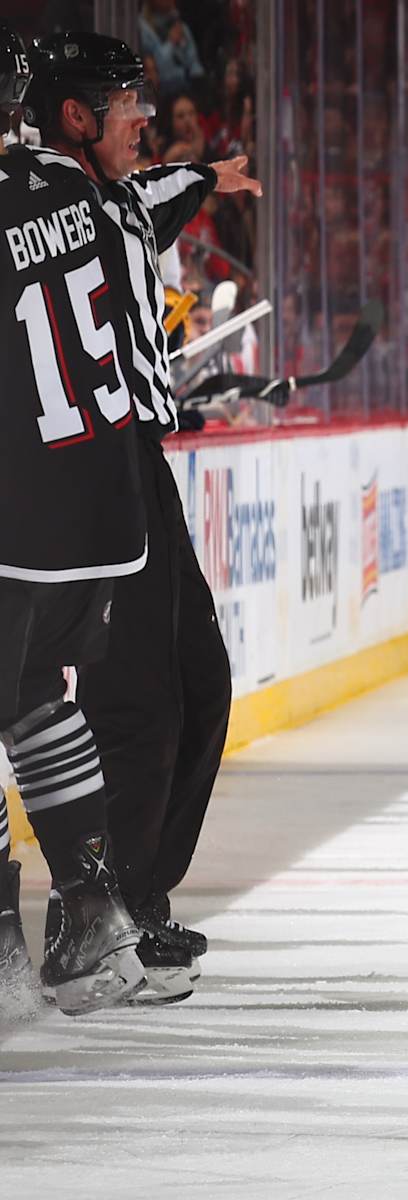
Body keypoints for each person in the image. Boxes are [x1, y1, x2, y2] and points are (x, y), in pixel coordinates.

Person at [26, 32, 262, 1005]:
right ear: (75, 117)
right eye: (127, 104)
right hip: (91, 475)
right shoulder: (46, 202)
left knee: (200, 684)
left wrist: (210, 172)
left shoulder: (122, 194)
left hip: (143, 472)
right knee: (136, 702)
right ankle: (92, 920)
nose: (145, 121)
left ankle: (137, 897)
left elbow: (163, 191)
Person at [0, 24, 148, 1019]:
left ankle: (2, 948)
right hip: (95, 511)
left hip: (14, 519)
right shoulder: (76, 196)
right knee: (33, 702)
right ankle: (94, 917)